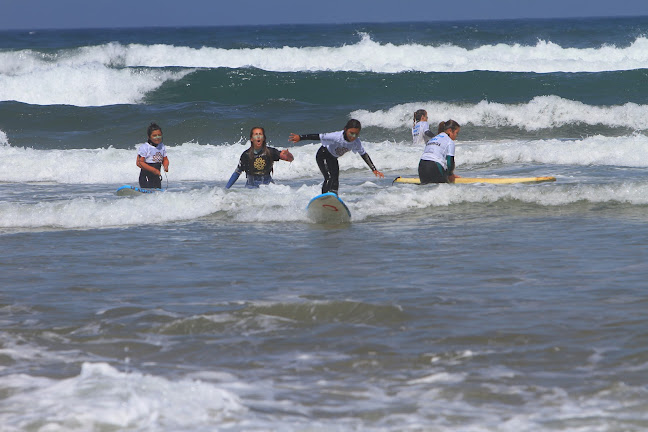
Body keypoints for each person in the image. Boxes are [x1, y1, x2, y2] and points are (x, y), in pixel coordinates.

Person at [289, 119, 384, 194]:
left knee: (335, 179)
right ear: (345, 130)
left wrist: (374, 169)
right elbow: (318, 136)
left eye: (356, 134)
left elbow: (363, 154)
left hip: (333, 158)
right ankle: (324, 199)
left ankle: (334, 199)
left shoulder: (356, 142)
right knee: (329, 177)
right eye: (351, 133)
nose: (353, 136)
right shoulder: (336, 136)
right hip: (323, 155)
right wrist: (300, 137)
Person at [226, 127, 294, 188]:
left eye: (260, 134)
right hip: (251, 186)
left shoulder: (270, 152)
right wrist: (226, 189)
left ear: (263, 138)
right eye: (256, 134)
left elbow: (290, 159)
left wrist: (288, 155)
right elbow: (237, 172)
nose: (258, 136)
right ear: (251, 139)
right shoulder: (246, 155)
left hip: (268, 185)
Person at [418, 120, 462, 184]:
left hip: (421, 166)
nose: (456, 136)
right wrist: (450, 175)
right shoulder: (449, 141)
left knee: (426, 190)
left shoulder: (433, 139)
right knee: (444, 189)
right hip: (434, 166)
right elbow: (450, 162)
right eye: (456, 133)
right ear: (450, 130)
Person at [136, 123, 169, 189]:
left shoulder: (161, 146)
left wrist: (166, 166)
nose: (157, 138)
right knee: (148, 193)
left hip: (156, 177)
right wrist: (153, 170)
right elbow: (139, 162)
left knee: (157, 193)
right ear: (149, 136)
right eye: (154, 136)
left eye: (159, 135)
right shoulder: (145, 147)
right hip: (145, 177)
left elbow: (165, 159)